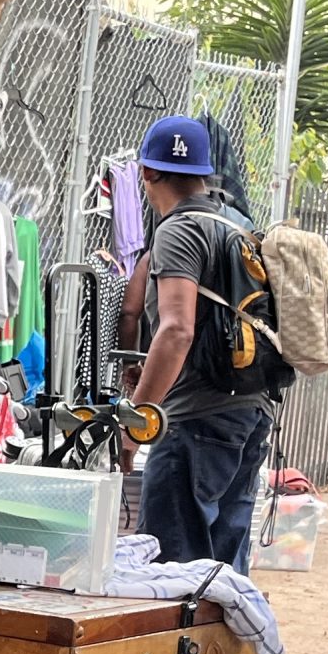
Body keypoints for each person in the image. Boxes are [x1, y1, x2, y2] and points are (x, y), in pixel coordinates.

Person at [120, 114, 276, 570]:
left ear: (148, 173)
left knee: (175, 570)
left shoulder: (177, 231)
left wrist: (136, 427)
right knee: (225, 572)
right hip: (249, 412)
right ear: (206, 174)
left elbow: (177, 330)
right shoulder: (236, 228)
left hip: (196, 422)